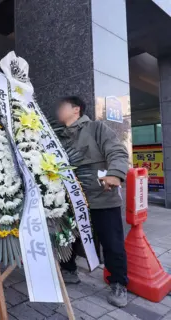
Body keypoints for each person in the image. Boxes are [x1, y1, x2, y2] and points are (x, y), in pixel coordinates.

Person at [56, 96, 129, 307]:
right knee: (67, 237)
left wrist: (115, 173)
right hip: (69, 199)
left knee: (112, 243)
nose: (58, 111)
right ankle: (68, 270)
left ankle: (118, 283)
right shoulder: (58, 137)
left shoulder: (97, 128)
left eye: (63, 106)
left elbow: (117, 150)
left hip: (102, 198)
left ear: (76, 109)